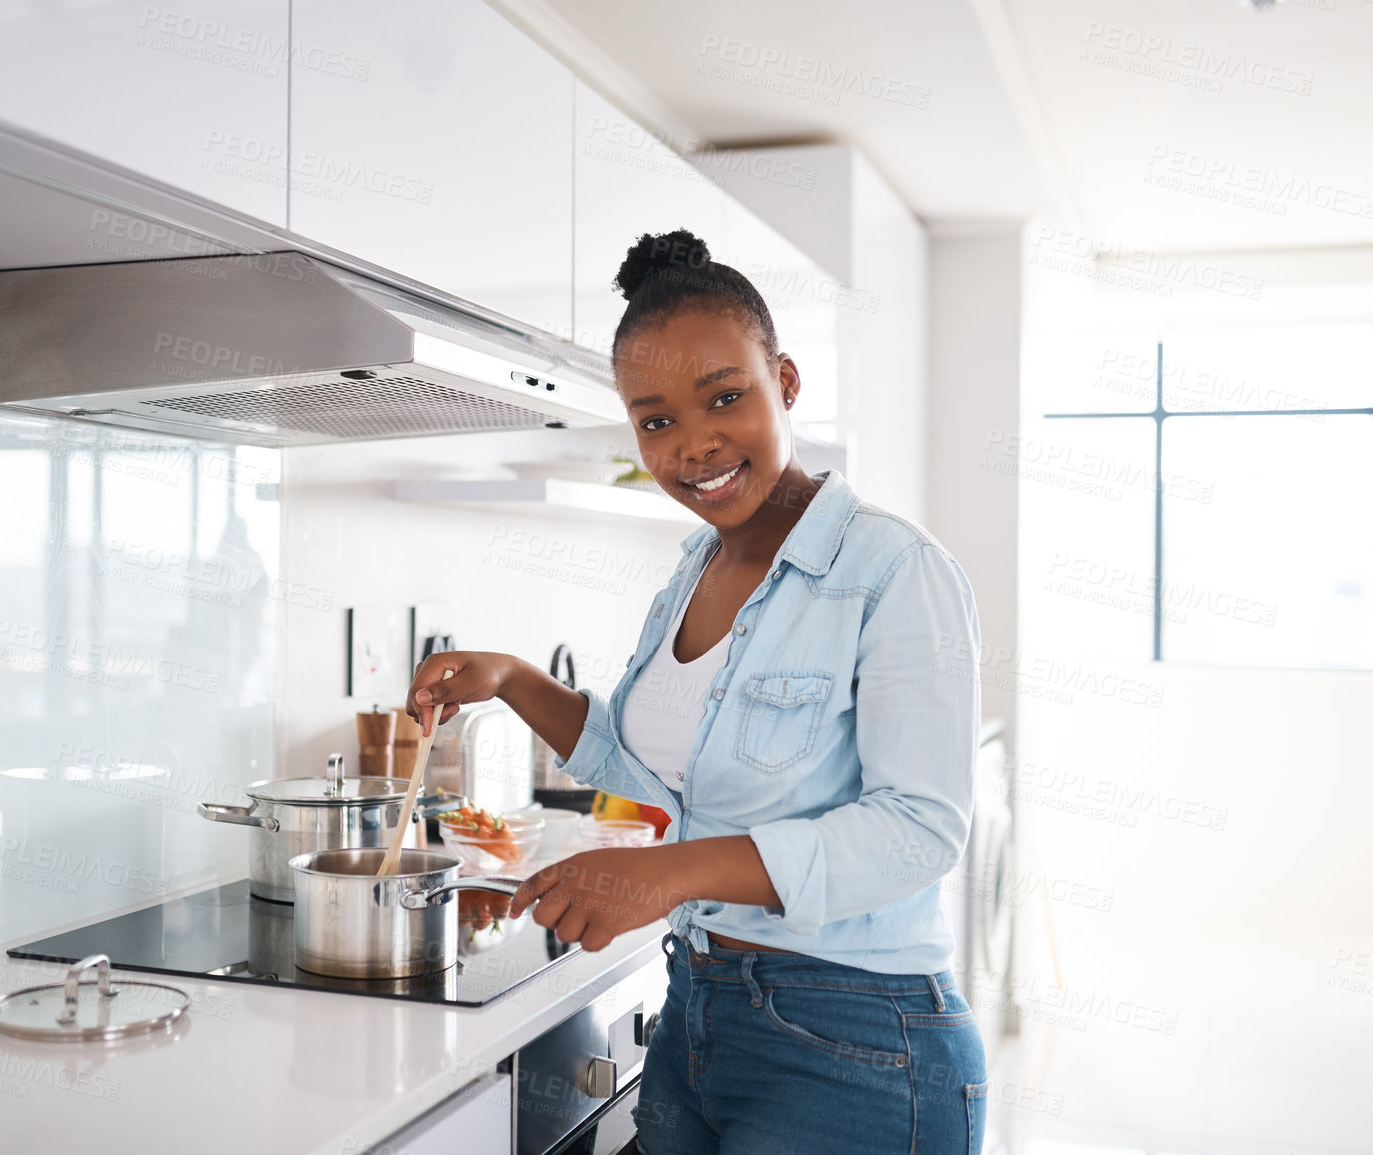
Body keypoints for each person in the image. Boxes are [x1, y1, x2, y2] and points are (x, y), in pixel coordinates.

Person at [405, 229, 987, 1154]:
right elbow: (648, 772)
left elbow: (918, 829)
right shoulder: (693, 566)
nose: (694, 445)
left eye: (725, 398)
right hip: (699, 1015)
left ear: (784, 382)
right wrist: (514, 681)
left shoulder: (893, 568)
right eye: (656, 419)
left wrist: (666, 873)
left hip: (857, 1043)